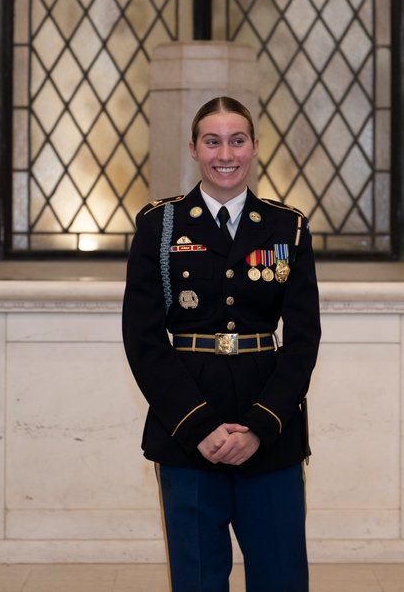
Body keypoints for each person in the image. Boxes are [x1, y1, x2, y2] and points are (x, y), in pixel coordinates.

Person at [122, 96, 321, 592]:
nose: (224, 153)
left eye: (237, 140)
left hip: (269, 432)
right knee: (198, 581)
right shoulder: (159, 226)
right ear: (193, 148)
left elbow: (302, 340)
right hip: (187, 433)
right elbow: (143, 339)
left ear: (254, 147)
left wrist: (258, 426)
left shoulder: (287, 226)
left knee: (281, 578)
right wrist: (200, 428)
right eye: (212, 141)